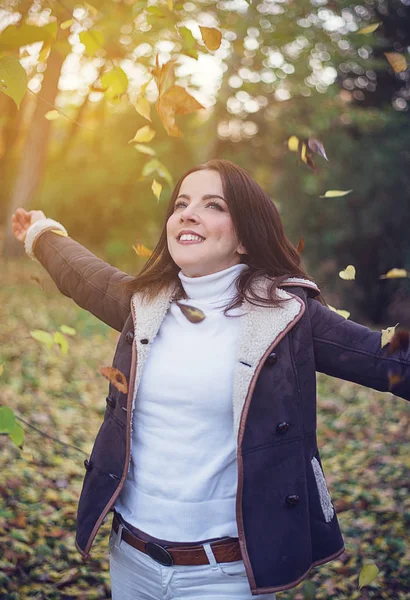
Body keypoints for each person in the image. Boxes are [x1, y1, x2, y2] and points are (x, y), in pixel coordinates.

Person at [12, 159, 410, 599]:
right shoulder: (145, 304)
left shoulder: (287, 315)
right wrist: (40, 233)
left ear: (244, 237)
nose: (187, 213)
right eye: (181, 203)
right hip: (131, 559)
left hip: (225, 577)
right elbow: (84, 277)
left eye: (213, 204)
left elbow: (384, 361)